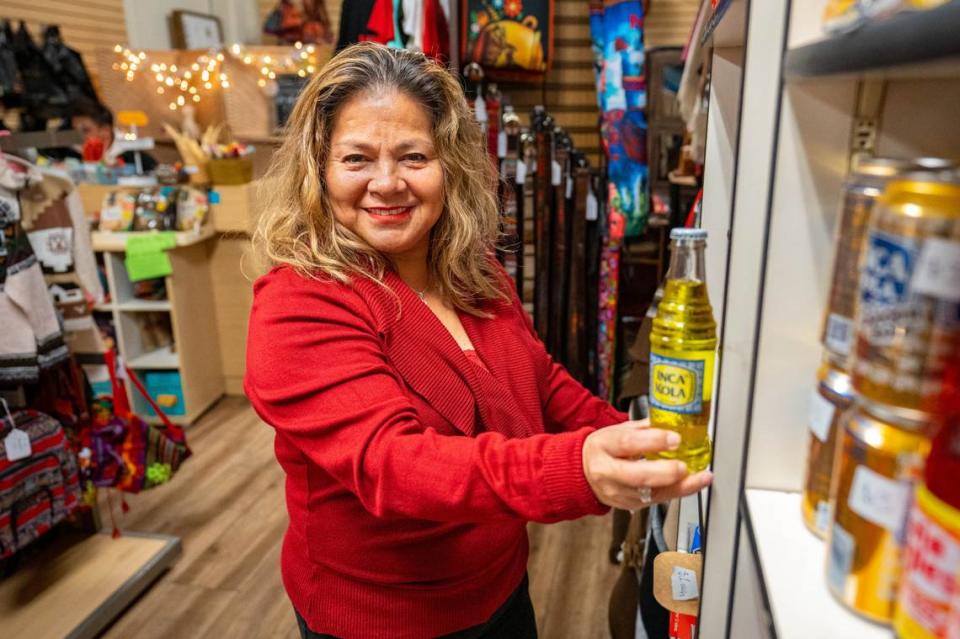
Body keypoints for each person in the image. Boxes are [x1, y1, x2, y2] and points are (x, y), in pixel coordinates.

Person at [245, 42, 712, 639]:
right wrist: (581, 468)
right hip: (384, 620)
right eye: (357, 159)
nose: (387, 184)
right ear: (319, 169)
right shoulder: (299, 303)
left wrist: (637, 440)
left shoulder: (474, 270)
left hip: (500, 588)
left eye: (413, 157)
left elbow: (540, 382)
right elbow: (397, 465)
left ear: (450, 165)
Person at [69, 97, 157, 172]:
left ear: (105, 131)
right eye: (75, 130)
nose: (78, 136)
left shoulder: (134, 158)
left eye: (85, 130)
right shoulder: (72, 154)